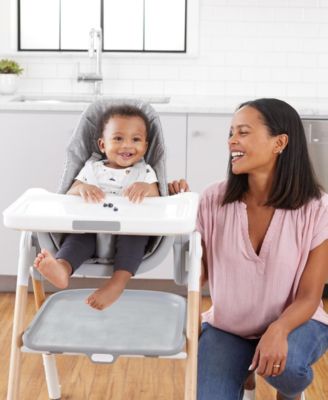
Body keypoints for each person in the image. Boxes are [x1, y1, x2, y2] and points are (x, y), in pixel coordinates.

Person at [170, 98, 328, 400]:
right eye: (231, 132)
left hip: (297, 323)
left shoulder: (317, 208)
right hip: (230, 328)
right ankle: (244, 369)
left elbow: (310, 297)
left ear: (279, 142)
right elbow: (194, 278)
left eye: (243, 132)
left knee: (289, 369)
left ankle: (284, 387)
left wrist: (278, 330)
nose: (232, 141)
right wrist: (178, 214)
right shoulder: (213, 199)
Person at [34, 105, 159, 310]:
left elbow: (157, 196)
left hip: (129, 228)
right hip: (91, 229)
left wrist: (145, 188)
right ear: (102, 144)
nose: (127, 145)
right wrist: (83, 188)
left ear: (145, 146)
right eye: (118, 138)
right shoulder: (92, 168)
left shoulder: (144, 171)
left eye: (135, 139)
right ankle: (62, 269)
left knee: (135, 237)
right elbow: (70, 193)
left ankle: (117, 283)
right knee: (78, 238)